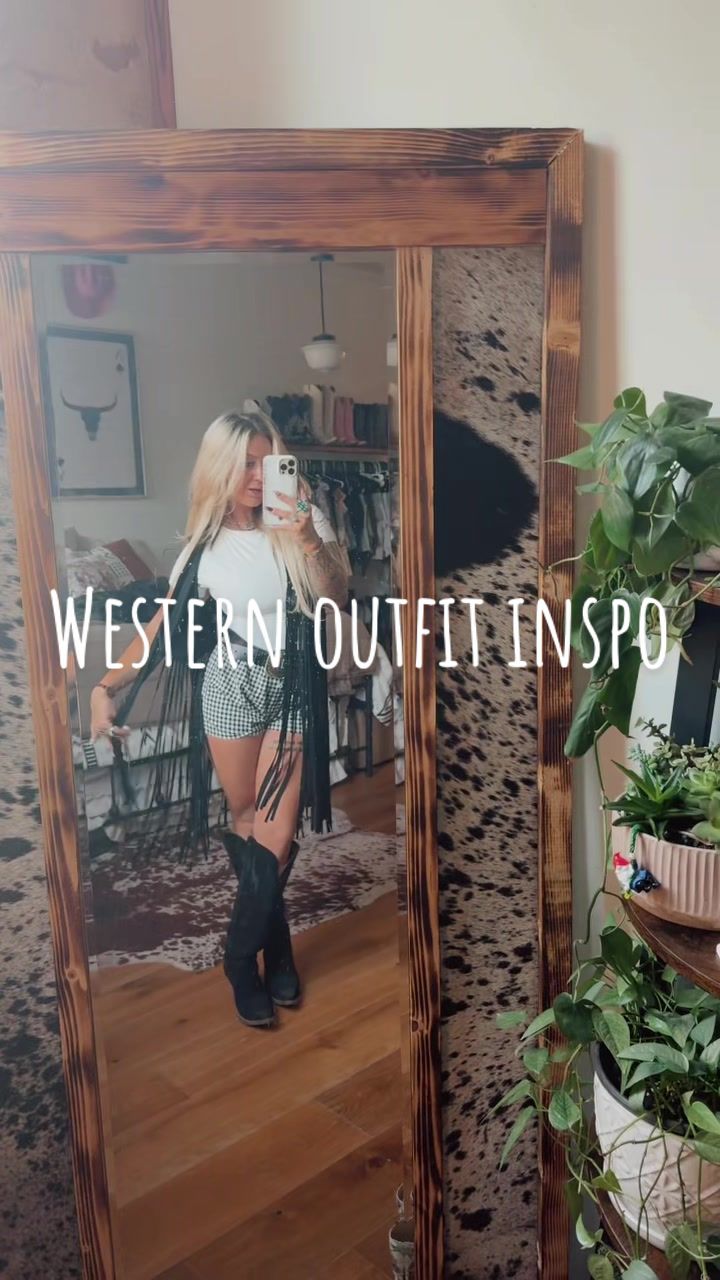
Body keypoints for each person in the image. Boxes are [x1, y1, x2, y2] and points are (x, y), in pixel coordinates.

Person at [89, 409, 349, 1028]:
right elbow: (159, 629)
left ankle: (237, 959)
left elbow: (335, 595)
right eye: (245, 464)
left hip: (292, 681)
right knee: (248, 820)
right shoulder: (202, 548)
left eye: (267, 461)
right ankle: (275, 948)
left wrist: (308, 534)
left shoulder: (302, 523)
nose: (258, 476)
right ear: (220, 469)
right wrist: (104, 686)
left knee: (277, 833)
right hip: (230, 683)